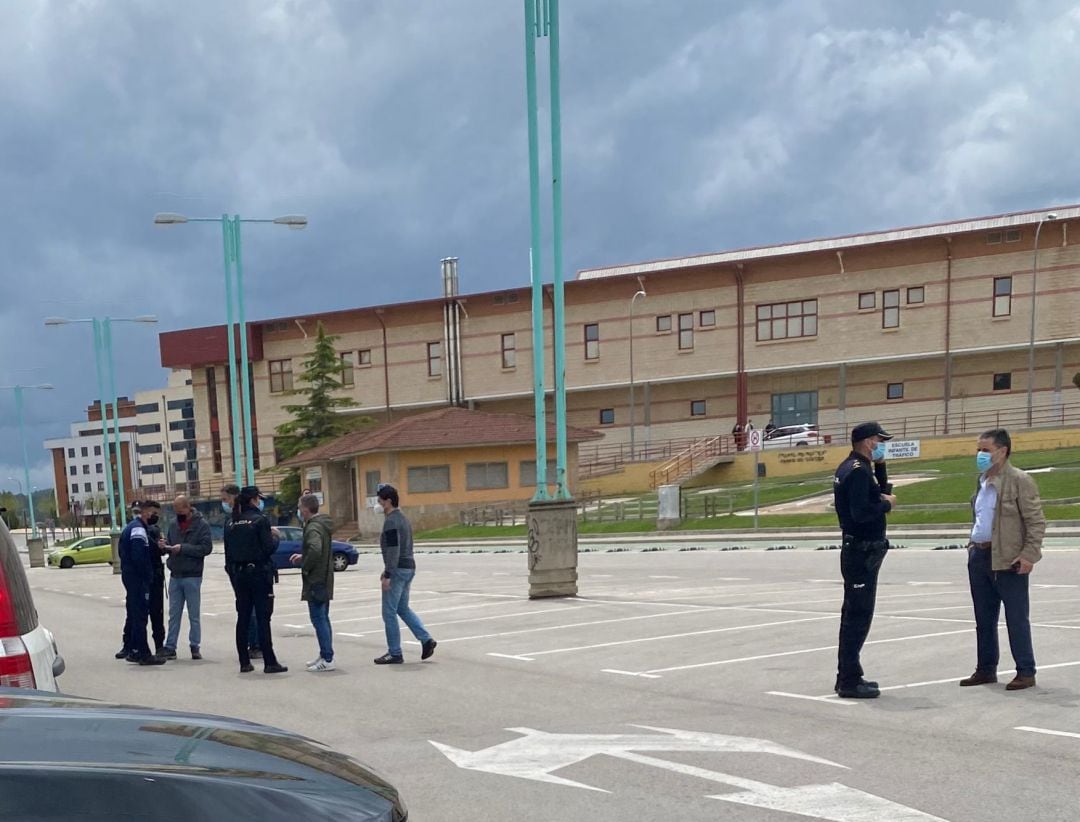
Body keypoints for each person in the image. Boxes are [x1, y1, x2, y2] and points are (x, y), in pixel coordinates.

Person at [960, 428, 1045, 691]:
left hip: (1009, 560)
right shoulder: (982, 480)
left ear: (1002, 450)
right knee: (983, 619)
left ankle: (1025, 671)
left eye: (985, 450)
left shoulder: (1020, 480)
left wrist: (1029, 555)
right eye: (978, 450)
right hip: (980, 555)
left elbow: (1035, 521)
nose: (980, 455)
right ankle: (985, 669)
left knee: (1016, 618)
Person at [832, 421, 897, 699]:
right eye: (878, 440)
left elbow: (878, 490)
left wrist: (881, 467)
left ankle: (849, 674)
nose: (881, 444)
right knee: (857, 616)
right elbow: (862, 511)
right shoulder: (857, 472)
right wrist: (887, 505)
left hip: (860, 549)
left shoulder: (856, 467)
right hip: (861, 549)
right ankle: (849, 679)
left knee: (855, 614)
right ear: (868, 441)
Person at [224, 485, 287, 674]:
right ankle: (269, 661)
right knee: (262, 617)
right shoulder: (260, 520)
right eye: (258, 498)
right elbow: (268, 548)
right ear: (253, 500)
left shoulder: (231, 522)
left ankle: (244, 661)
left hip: (240, 574)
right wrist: (275, 537)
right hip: (259, 574)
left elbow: (228, 555)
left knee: (243, 618)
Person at [374, 484, 436, 665]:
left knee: (389, 612)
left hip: (398, 570)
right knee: (402, 608)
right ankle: (426, 639)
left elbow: (394, 549)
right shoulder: (403, 519)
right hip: (409, 567)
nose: (378, 504)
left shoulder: (392, 521)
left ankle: (394, 652)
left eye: (380, 501)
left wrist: (388, 574)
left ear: (388, 501)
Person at [160, 495, 213, 661]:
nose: (178, 514)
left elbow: (206, 548)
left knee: (193, 614)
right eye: (175, 511)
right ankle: (170, 646)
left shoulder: (201, 525)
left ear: (188, 507)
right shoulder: (174, 524)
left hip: (192, 574)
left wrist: (183, 548)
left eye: (180, 510)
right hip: (175, 573)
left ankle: (195, 645)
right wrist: (164, 546)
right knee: (173, 613)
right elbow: (170, 542)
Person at [117, 500, 166, 666]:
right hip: (138, 579)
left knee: (137, 614)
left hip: (132, 577)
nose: (155, 516)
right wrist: (147, 575)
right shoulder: (138, 529)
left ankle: (135, 650)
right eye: (153, 513)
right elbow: (139, 556)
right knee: (140, 616)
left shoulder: (135, 527)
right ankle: (143, 653)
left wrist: (159, 547)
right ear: (145, 512)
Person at [290, 493, 335, 672]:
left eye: (300, 507)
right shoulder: (322, 525)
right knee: (323, 617)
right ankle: (325, 653)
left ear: (306, 509)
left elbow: (316, 549)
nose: (299, 511)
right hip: (324, 578)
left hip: (316, 579)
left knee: (319, 618)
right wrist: (304, 556)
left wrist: (305, 565)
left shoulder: (313, 528)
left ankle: (327, 658)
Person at [222, 483, 263, 659]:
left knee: (247, 609)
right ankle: (254, 645)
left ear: (234, 497)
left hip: (240, 569)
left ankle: (252, 645)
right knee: (249, 609)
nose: (224, 503)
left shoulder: (237, 520)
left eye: (225, 499)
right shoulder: (237, 519)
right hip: (242, 569)